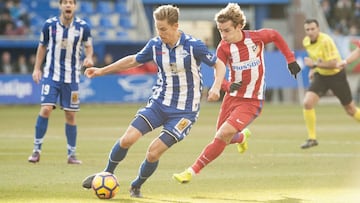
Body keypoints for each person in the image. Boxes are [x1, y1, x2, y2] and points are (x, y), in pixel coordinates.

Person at [81, 5, 226, 198]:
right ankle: (106, 173)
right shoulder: (155, 45)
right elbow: (133, 60)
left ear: (176, 26)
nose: (160, 33)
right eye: (157, 28)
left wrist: (216, 87)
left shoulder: (193, 46)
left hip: (184, 113)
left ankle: (136, 185)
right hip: (158, 104)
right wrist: (101, 70)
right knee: (127, 139)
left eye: (164, 29)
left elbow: (219, 64)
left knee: (153, 152)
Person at [172, 3, 301, 184]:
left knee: (223, 134)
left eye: (227, 31)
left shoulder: (256, 38)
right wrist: (225, 86)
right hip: (232, 98)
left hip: (252, 100)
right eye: (220, 31)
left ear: (239, 26)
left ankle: (191, 171)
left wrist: (290, 60)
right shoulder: (223, 48)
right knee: (223, 136)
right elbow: (220, 73)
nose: (223, 36)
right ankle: (242, 136)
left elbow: (275, 35)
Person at [27, 0, 94, 164]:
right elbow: (42, 46)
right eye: (65, 2)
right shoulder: (49, 25)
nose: (68, 5)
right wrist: (37, 68)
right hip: (52, 75)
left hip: (72, 78)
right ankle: (36, 150)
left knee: (70, 115)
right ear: (60, 6)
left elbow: (88, 46)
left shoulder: (83, 27)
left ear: (75, 6)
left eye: (71, 2)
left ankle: (71, 154)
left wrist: (89, 57)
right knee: (46, 109)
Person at [300, 19, 360, 149]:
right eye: (307, 30)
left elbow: (333, 63)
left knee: (350, 110)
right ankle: (312, 138)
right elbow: (317, 59)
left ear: (318, 29)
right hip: (321, 76)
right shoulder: (306, 42)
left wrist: (314, 65)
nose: (310, 32)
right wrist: (313, 69)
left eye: (312, 29)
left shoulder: (326, 41)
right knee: (307, 103)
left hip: (336, 75)